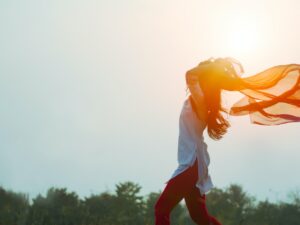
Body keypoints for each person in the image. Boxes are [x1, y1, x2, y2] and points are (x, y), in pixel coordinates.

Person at [154, 57, 300, 225]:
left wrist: (210, 67)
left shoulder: (199, 100)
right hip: (194, 165)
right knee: (200, 218)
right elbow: (193, 76)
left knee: (161, 209)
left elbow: (190, 75)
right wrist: (210, 68)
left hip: (190, 165)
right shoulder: (201, 101)